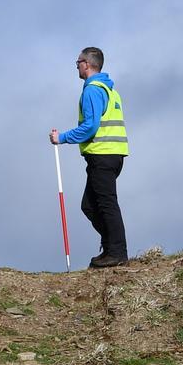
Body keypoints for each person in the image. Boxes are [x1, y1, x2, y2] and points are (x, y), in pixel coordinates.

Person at [50, 47, 129, 267]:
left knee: (105, 203)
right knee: (90, 205)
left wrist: (62, 138)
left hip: (103, 155)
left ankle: (117, 253)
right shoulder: (108, 89)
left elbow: (90, 127)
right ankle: (111, 247)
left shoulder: (93, 90)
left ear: (86, 63)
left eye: (77, 62)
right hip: (111, 154)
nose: (76, 66)